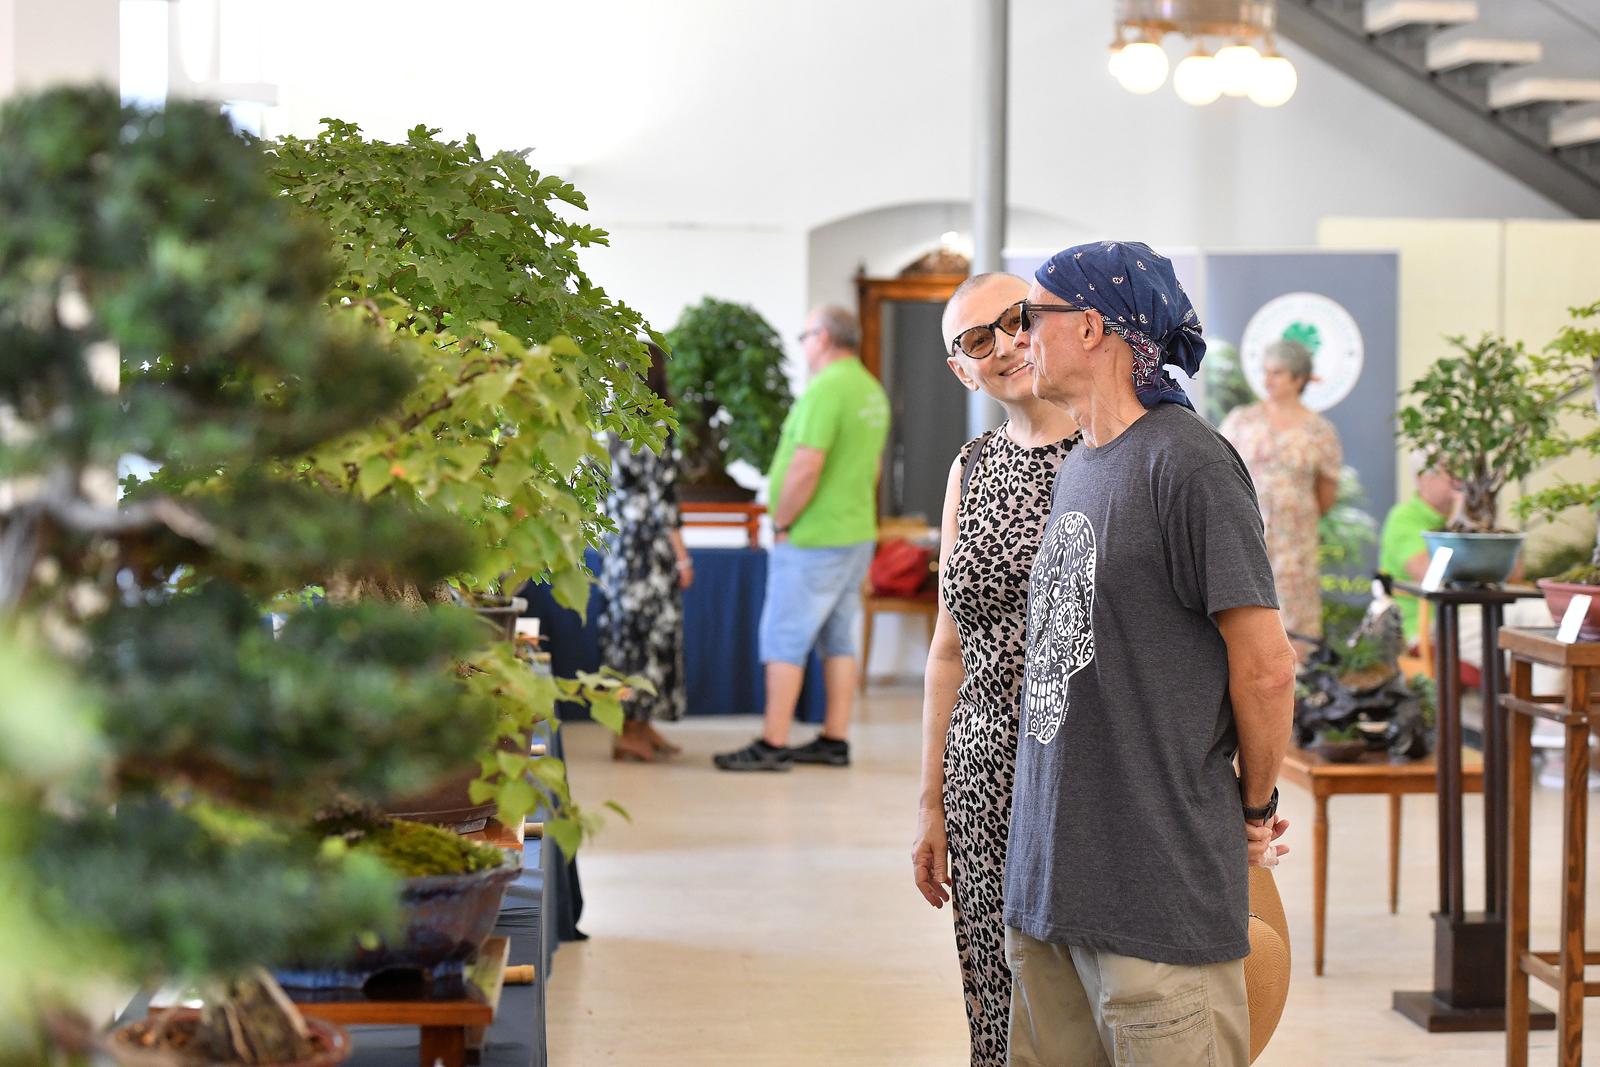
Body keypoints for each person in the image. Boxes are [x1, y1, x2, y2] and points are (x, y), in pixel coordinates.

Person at [1004, 241, 1296, 1067]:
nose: (1019, 336)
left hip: (1153, 890)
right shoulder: (1083, 466)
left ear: (1093, 325)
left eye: (1032, 316)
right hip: (1053, 884)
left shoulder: (1190, 462)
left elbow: (1266, 664)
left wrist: (1253, 806)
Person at [910, 273, 1080, 1067]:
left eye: (1017, 321)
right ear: (961, 368)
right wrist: (929, 803)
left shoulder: (1113, 451)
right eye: (980, 339)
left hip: (1086, 776)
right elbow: (948, 648)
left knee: (1085, 1004)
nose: (1008, 344)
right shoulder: (969, 469)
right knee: (996, 997)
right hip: (981, 780)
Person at [714, 306, 890, 771]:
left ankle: (773, 742)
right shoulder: (869, 389)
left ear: (824, 337)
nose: (802, 344)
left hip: (814, 537)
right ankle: (835, 738)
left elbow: (806, 465)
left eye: (805, 334)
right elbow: (870, 467)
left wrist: (784, 520)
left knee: (783, 636)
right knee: (838, 638)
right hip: (855, 531)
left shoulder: (826, 391)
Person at [598, 342, 692, 762]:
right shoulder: (652, 424)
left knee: (626, 635)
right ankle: (629, 732)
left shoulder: (611, 422)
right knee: (649, 638)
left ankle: (637, 724)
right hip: (649, 551)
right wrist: (682, 555)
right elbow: (661, 499)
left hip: (620, 548)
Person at [1219, 340, 1343, 652]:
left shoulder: (1319, 430)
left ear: (1299, 378)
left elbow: (1326, 494)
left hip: (1295, 549)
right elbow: (1218, 474)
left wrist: (1293, 514)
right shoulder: (1241, 420)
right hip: (1245, 537)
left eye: (1277, 373)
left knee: (1295, 637)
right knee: (1245, 625)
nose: (1268, 380)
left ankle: (1299, 697)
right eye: (1266, 372)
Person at [1379, 453, 1464, 645]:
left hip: (1470, 615)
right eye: (1449, 472)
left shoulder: (1465, 516)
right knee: (1510, 638)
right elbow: (1431, 576)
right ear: (1422, 478)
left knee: (1533, 618)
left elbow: (1514, 573)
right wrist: (1455, 527)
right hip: (1425, 626)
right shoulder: (1403, 517)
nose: (1459, 480)